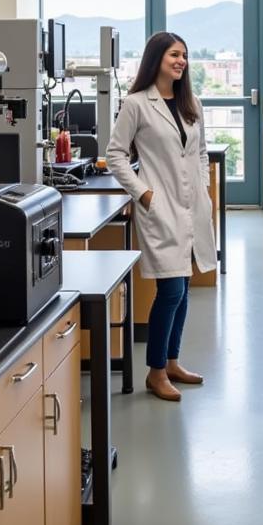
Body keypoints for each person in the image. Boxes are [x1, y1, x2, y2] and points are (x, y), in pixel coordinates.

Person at [106, 31, 217, 403]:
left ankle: (172, 361)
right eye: (174, 54)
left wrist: (202, 187)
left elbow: (200, 152)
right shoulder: (136, 104)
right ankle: (155, 371)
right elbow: (116, 154)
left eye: (184, 55)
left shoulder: (192, 103)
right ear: (157, 59)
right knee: (170, 289)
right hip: (161, 206)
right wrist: (144, 193)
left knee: (183, 288)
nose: (181, 61)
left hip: (191, 205)